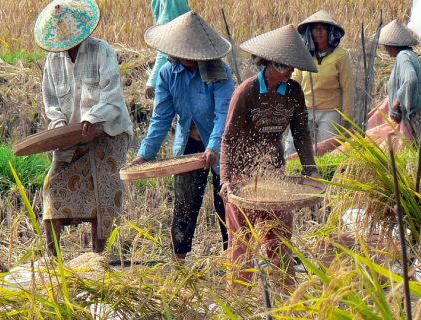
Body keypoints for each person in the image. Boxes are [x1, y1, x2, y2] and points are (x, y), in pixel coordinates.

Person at [220, 25, 320, 290]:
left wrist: (311, 170)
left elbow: (301, 135)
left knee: (280, 243)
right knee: (242, 246)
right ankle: (239, 302)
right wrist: (227, 180)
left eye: (293, 68)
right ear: (271, 64)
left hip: (275, 175)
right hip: (243, 179)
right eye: (286, 68)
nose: (291, 73)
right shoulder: (247, 92)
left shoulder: (294, 92)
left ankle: (285, 300)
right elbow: (228, 139)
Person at [130, 11, 235, 261]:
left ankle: (232, 260)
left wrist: (213, 147)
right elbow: (161, 117)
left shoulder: (219, 73)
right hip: (189, 142)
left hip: (222, 144)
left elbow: (224, 113)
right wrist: (145, 154)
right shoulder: (168, 73)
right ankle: (179, 262)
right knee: (185, 205)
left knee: (225, 203)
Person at [35, 0, 133, 256]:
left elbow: (111, 96)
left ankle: (99, 260)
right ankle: (53, 262)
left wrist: (92, 119)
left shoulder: (102, 51)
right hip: (70, 138)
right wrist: (58, 128)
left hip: (107, 132)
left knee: (102, 196)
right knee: (52, 189)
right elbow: (52, 102)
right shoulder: (53, 60)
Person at [285, 10, 354, 156]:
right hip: (305, 109)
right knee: (291, 148)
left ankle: (322, 177)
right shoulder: (305, 54)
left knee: (326, 151)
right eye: (315, 29)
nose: (319, 32)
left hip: (330, 112)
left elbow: (347, 88)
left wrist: (346, 118)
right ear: (310, 32)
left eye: (322, 28)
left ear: (330, 32)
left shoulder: (341, 56)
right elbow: (295, 80)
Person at [375, 19, 421, 147]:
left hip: (417, 116)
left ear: (391, 45)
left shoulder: (403, 56)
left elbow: (410, 79)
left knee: (416, 153)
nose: (385, 49)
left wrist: (396, 104)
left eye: (385, 46)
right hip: (418, 113)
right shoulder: (408, 55)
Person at [144, 0, 190, 99]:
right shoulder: (157, 2)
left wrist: (152, 81)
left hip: (184, 66)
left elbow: (169, 47)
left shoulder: (171, 2)